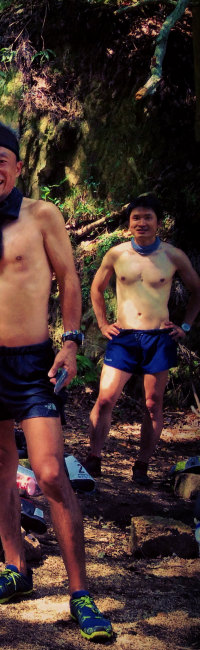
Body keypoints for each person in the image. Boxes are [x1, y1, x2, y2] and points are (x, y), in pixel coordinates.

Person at [0, 122, 113, 642]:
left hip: (35, 363)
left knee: (50, 473)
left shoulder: (41, 215)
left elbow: (68, 277)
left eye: (1, 161)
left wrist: (70, 341)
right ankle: (16, 568)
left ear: (17, 167)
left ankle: (81, 594)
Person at [85, 194, 200, 485]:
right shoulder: (117, 254)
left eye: (148, 217)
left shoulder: (173, 256)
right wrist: (101, 322)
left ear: (158, 223)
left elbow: (197, 291)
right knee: (106, 398)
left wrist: (185, 325)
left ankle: (142, 465)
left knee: (152, 403)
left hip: (158, 338)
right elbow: (96, 289)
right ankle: (94, 457)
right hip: (124, 337)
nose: (142, 222)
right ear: (129, 223)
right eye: (136, 217)